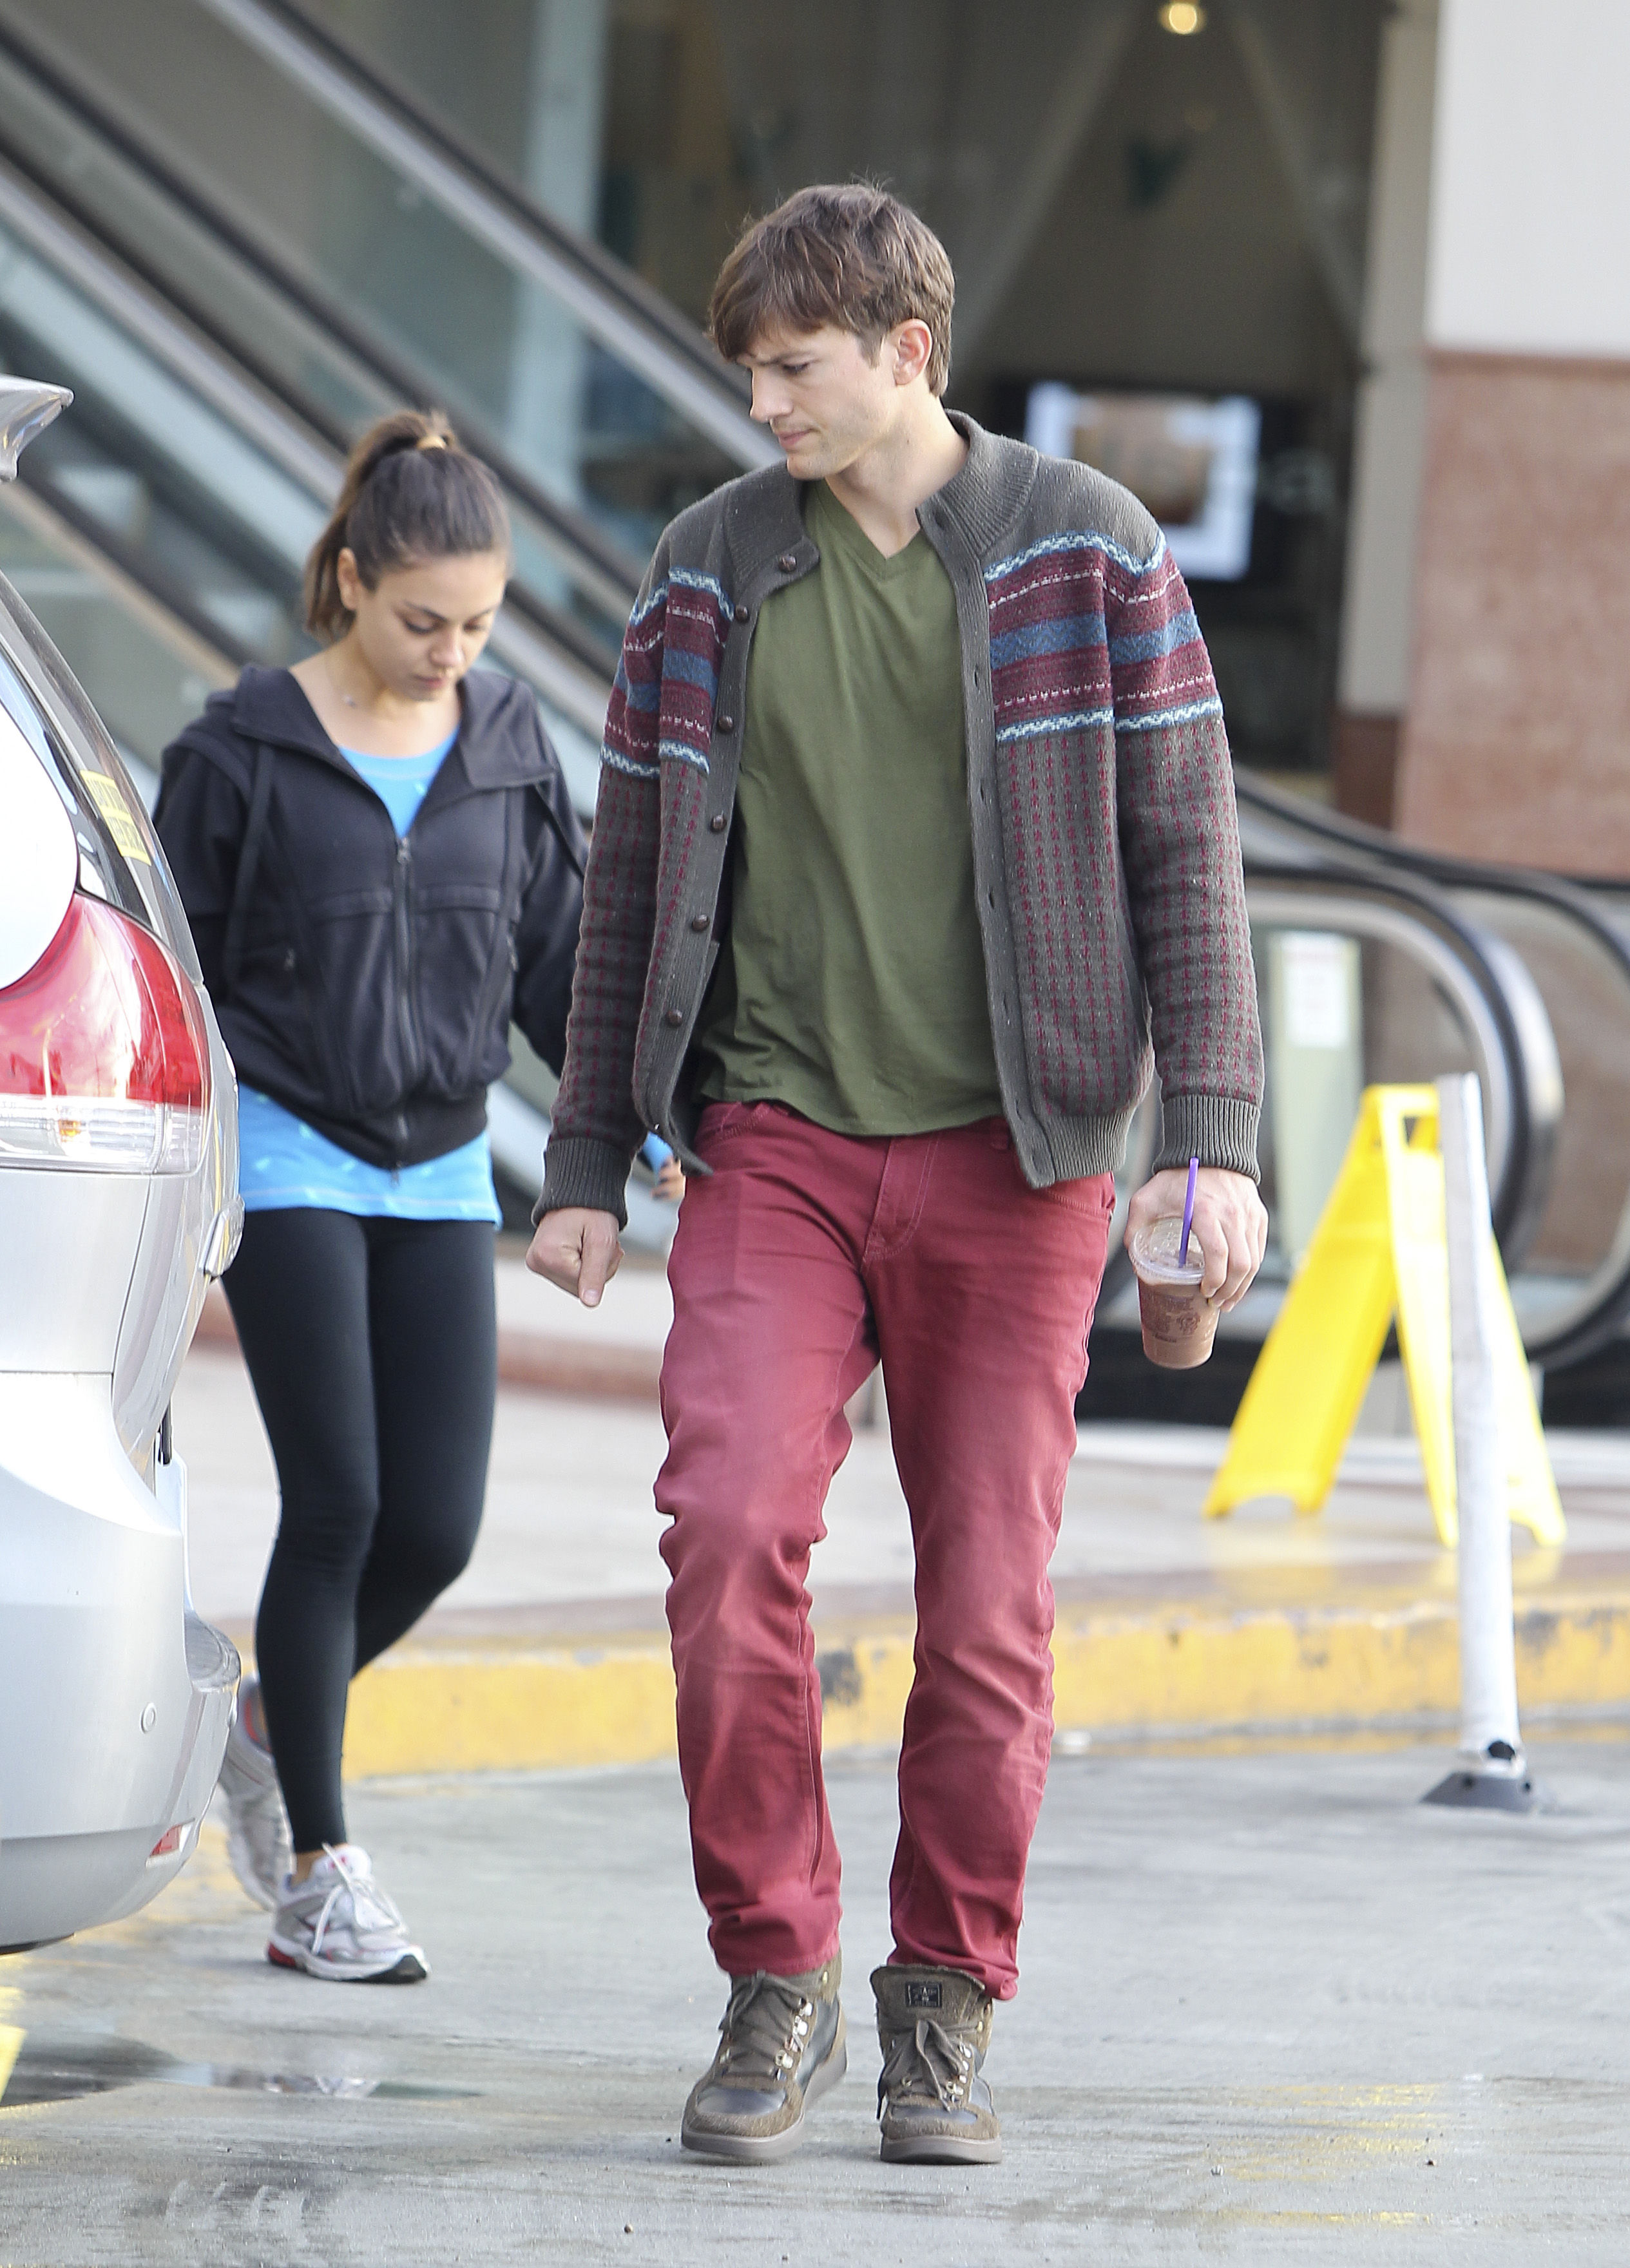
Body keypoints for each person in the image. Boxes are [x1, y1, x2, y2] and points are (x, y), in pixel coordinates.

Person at [528, 185, 1267, 2162]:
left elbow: (1189, 862)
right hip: (772, 1141)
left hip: (1016, 1160)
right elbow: (629, 880)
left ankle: (944, 1991)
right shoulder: (704, 569)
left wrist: (1211, 1141)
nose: (761, 403)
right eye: (750, 371)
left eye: (795, 367)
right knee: (725, 1528)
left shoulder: (1087, 550)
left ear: (907, 351)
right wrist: (587, 1149)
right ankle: (776, 1973)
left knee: (989, 1603)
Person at [157, 411, 586, 1981]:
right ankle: (319, 1873)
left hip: (442, 1164)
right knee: (337, 1501)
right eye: (422, 622)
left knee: (436, 1527)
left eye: (477, 626)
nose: (449, 654)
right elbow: (178, 967)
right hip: (287, 1147)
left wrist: (636, 1125)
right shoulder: (239, 750)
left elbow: (556, 966)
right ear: (349, 580)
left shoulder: (506, 748)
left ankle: (270, 1728)